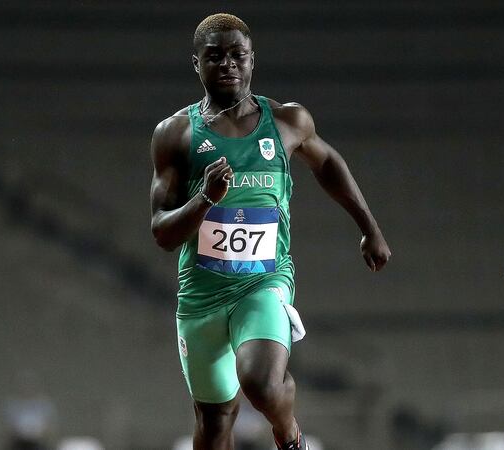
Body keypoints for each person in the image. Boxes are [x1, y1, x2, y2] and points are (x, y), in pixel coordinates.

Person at [149, 13, 391, 450]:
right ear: (196, 64)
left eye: (237, 55)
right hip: (200, 293)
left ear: (252, 60)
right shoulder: (176, 134)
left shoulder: (286, 122)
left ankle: (289, 433)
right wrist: (205, 198)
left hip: (263, 280)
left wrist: (368, 227)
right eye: (214, 56)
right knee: (214, 421)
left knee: (260, 381)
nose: (228, 64)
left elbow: (329, 163)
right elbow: (162, 233)